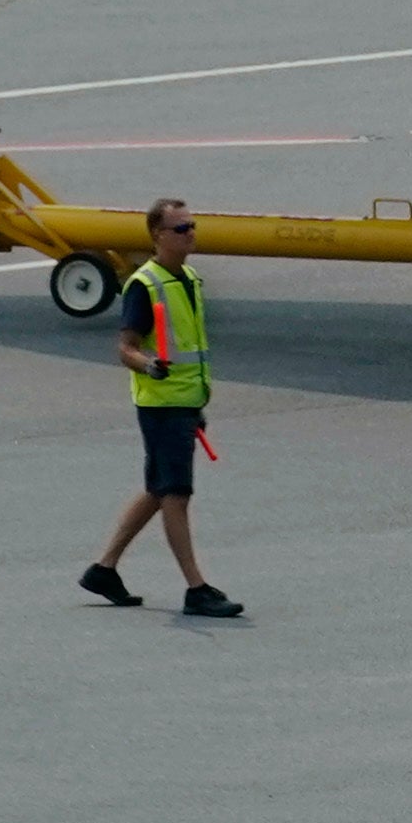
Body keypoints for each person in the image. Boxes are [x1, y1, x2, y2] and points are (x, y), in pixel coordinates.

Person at [83, 201, 241, 617]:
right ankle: (196, 588)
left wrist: (196, 401)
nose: (189, 233)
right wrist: (150, 366)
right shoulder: (144, 284)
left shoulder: (188, 278)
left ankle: (104, 570)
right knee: (176, 494)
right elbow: (125, 348)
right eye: (180, 228)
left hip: (184, 402)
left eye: (191, 225)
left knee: (158, 488)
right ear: (158, 235)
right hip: (162, 405)